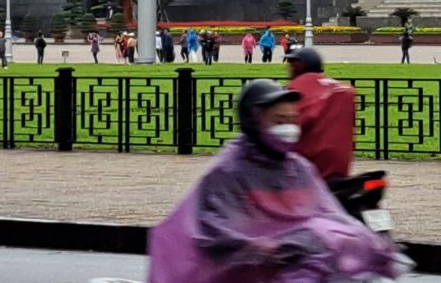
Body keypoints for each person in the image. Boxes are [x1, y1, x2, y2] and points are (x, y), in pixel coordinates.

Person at [147, 79, 406, 283]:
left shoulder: (297, 168)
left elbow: (329, 214)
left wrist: (372, 243)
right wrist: (257, 246)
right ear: (254, 121)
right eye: (279, 121)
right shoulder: (229, 170)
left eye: (292, 120)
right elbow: (211, 230)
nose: (289, 128)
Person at [285, 48, 355, 182]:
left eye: (291, 65)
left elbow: (292, 124)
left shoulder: (299, 88)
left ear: (298, 67)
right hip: (340, 165)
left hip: (310, 166)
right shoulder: (342, 90)